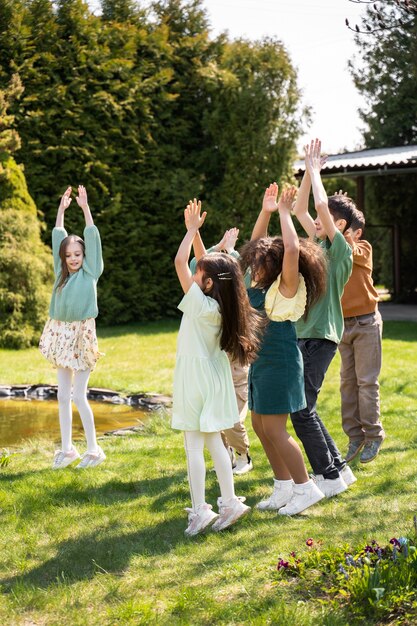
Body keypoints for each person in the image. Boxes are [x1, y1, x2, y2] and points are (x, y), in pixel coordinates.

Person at [172, 198, 262, 536]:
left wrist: (192, 230)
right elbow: (203, 263)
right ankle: (230, 502)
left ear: (208, 283)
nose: (194, 271)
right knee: (214, 443)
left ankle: (200, 511)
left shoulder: (198, 303)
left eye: (200, 273)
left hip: (195, 378)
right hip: (214, 377)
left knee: (194, 445)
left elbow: (182, 261)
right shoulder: (223, 304)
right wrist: (200, 237)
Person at [239, 183, 327, 515]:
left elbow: (291, 249)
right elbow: (252, 245)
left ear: (273, 266)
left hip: (281, 364)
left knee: (275, 428)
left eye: (260, 262)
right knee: (261, 426)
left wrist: (287, 213)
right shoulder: (255, 283)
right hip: (261, 364)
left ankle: (306, 488)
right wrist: (266, 211)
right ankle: (284, 487)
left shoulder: (285, 287)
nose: (254, 265)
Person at [291, 139, 356, 497]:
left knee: (301, 408)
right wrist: (305, 169)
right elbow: (304, 206)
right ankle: (339, 472)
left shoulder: (342, 250)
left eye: (324, 219)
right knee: (304, 407)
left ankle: (327, 476)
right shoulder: (316, 247)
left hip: (321, 336)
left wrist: (316, 171)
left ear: (338, 222)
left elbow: (317, 204)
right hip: (304, 335)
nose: (315, 221)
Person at [39, 186, 105, 470]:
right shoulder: (60, 274)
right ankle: (67, 450)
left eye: (78, 254)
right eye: (69, 255)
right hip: (60, 334)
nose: (73, 258)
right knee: (62, 395)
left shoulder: (91, 271)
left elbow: (93, 236)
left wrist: (85, 208)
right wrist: (61, 211)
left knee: (79, 395)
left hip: (82, 335)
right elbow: (57, 238)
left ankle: (94, 449)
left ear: (85, 256)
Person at [190, 227, 253, 475]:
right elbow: (201, 263)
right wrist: (198, 234)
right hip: (214, 361)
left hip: (235, 360)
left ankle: (243, 454)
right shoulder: (204, 294)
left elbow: (232, 271)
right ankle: (225, 452)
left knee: (232, 417)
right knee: (215, 413)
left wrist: (228, 250)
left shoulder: (237, 292)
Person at [339, 208, 385, 463]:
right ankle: (354, 436)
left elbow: (352, 250)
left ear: (357, 233)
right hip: (343, 326)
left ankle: (374, 435)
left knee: (366, 383)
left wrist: (344, 238)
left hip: (366, 323)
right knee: (347, 383)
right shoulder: (335, 252)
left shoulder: (363, 248)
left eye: (346, 233)